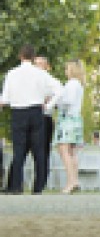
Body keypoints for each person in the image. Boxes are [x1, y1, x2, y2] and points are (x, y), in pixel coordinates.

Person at [0, 44, 60, 194]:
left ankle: (16, 186)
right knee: (38, 151)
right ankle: (38, 187)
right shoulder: (40, 74)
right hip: (36, 111)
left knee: (19, 150)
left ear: (20, 56)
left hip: (18, 111)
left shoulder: (12, 74)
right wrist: (48, 106)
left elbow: (5, 98)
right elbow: (59, 89)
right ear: (33, 58)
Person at [46, 59, 86, 194]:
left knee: (64, 150)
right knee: (71, 152)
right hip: (76, 119)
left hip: (68, 120)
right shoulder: (78, 85)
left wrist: (55, 101)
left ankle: (71, 182)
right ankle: (75, 180)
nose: (65, 71)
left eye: (67, 68)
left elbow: (67, 101)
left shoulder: (71, 84)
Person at [34, 55, 60, 187]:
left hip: (45, 117)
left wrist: (49, 103)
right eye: (36, 64)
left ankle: (41, 183)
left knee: (43, 151)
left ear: (47, 67)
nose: (38, 67)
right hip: (30, 116)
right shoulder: (30, 81)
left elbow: (59, 94)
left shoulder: (52, 80)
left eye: (40, 64)